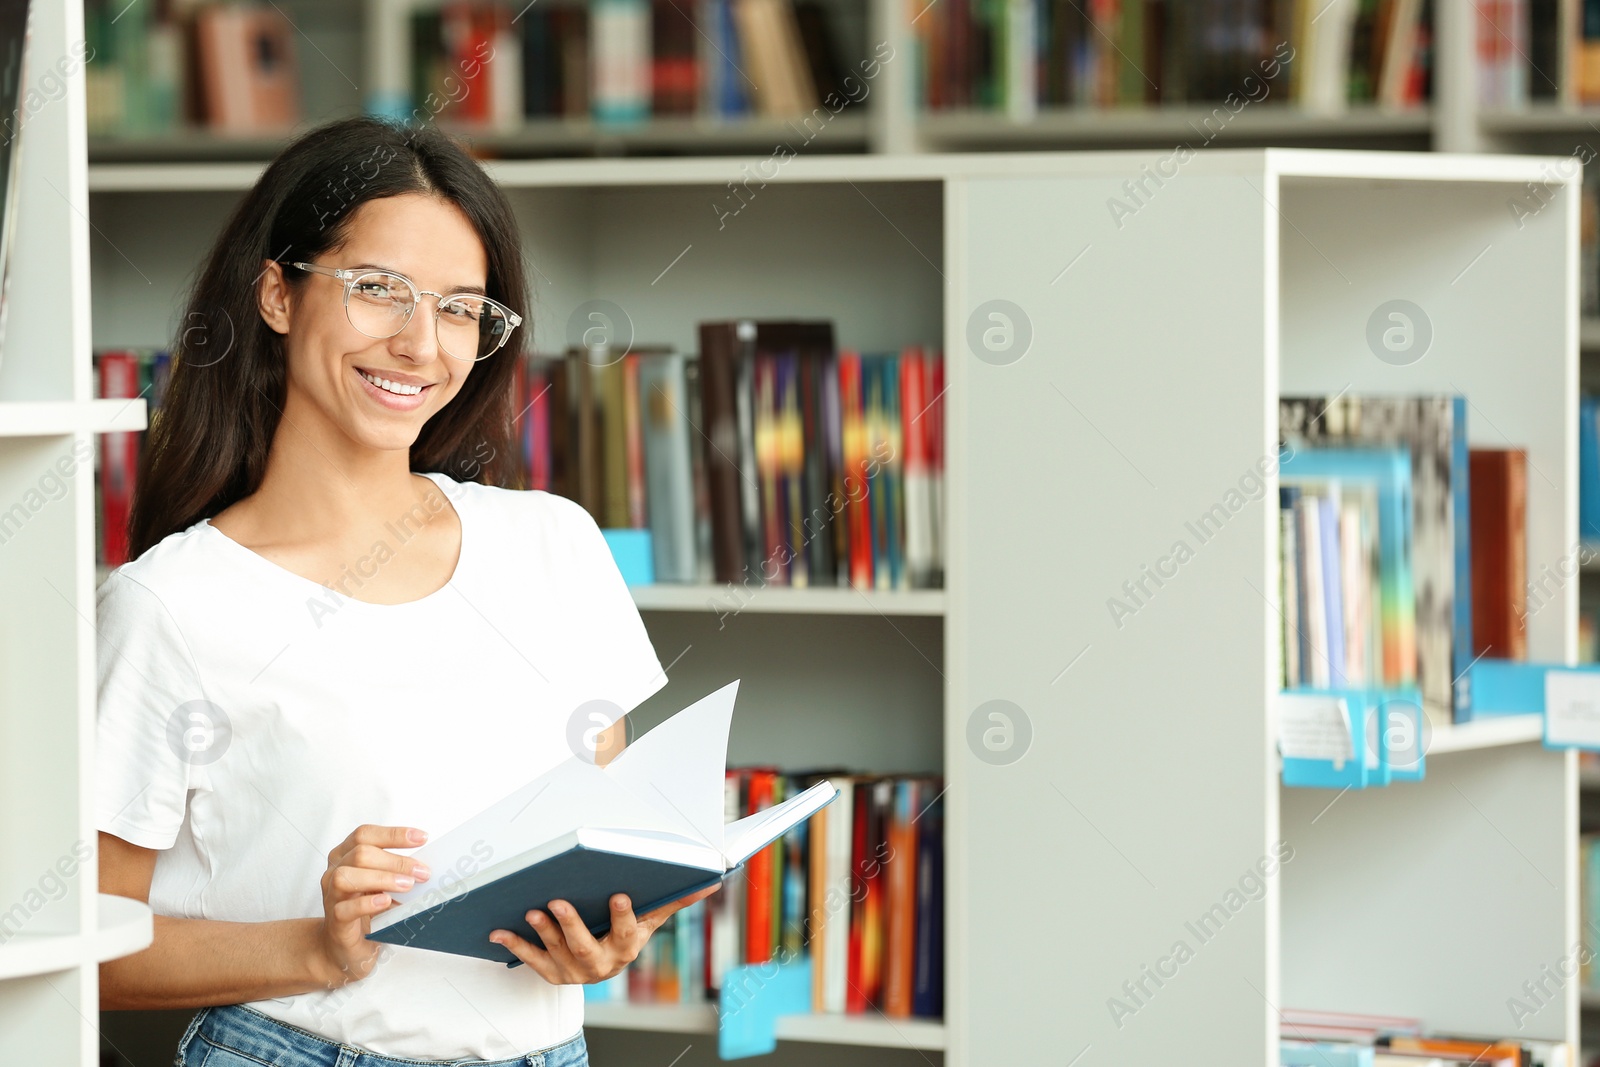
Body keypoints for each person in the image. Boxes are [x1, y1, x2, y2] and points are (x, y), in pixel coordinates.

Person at [95, 115, 714, 1067]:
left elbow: (608, 846)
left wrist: (611, 935)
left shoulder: (554, 544)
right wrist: (312, 942)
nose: (421, 344)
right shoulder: (172, 605)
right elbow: (83, 949)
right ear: (276, 295)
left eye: (461, 307)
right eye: (380, 290)